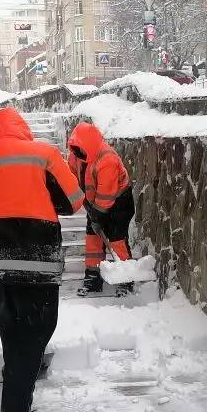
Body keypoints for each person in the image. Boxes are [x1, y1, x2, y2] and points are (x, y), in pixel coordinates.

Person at [0, 108, 84, 412]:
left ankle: (17, 371)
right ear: (23, 127)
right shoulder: (42, 153)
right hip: (32, 254)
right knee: (36, 327)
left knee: (11, 316)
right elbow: (74, 200)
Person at [67, 122, 135, 296]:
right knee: (92, 239)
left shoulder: (107, 159)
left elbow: (106, 195)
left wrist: (97, 216)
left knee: (116, 238)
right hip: (94, 202)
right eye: (74, 148)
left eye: (79, 148)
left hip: (119, 201)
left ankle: (126, 280)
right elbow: (73, 180)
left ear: (89, 144)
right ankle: (93, 277)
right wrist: (89, 209)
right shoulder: (75, 156)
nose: (76, 152)